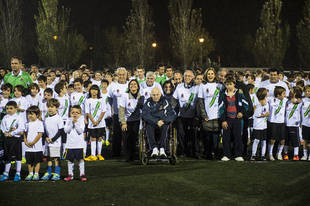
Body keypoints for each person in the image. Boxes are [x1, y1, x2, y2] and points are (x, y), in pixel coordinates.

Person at [219, 77, 248, 161]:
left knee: (238, 137)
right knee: (226, 137)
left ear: (234, 84)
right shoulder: (223, 94)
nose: (229, 86)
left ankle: (238, 155)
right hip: (227, 119)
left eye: (231, 84)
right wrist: (223, 120)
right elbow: (221, 108)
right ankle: (226, 155)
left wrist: (241, 112)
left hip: (237, 119)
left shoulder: (239, 93)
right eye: (227, 84)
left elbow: (246, 104)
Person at [142, 88, 176, 157]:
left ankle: (162, 149)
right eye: (154, 95)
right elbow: (145, 115)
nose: (155, 96)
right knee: (148, 126)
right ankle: (154, 149)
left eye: (157, 95)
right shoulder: (148, 103)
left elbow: (172, 114)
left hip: (163, 122)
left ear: (160, 94)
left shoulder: (165, 102)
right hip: (152, 123)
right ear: (151, 95)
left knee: (166, 127)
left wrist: (163, 121)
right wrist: (156, 121)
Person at [173, 70, 200, 158]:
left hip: (193, 116)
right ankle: (183, 151)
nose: (187, 78)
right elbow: (174, 100)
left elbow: (199, 102)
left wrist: (197, 116)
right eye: (185, 76)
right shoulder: (179, 87)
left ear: (193, 77)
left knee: (194, 134)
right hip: (181, 116)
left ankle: (195, 152)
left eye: (189, 76)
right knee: (181, 134)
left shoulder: (197, 87)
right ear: (183, 77)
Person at [119, 79, 144, 162]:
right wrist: (123, 123)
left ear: (138, 86)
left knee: (134, 138)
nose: (133, 85)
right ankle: (127, 156)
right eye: (131, 84)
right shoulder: (124, 96)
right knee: (126, 138)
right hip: (127, 120)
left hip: (137, 120)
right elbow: (121, 110)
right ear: (129, 87)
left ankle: (133, 155)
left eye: (135, 84)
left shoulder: (141, 96)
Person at [198, 68, 221, 159]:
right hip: (207, 116)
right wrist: (204, 115)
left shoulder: (219, 85)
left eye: (212, 74)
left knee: (216, 138)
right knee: (207, 137)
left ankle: (215, 152)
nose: (210, 75)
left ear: (215, 75)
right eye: (208, 74)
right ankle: (207, 153)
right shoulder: (202, 86)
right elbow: (200, 102)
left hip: (217, 116)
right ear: (206, 75)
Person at [0, 101, 25, 182]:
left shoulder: (19, 117)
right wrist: (5, 132)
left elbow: (21, 128)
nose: (9, 110)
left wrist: (13, 133)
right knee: (7, 157)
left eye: (11, 108)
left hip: (16, 139)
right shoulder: (5, 117)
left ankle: (18, 173)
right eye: (7, 108)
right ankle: (6, 173)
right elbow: (2, 126)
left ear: (16, 109)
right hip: (7, 140)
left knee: (18, 157)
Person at [41, 99, 64, 181]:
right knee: (49, 157)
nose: (50, 109)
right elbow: (44, 130)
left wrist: (53, 139)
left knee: (56, 158)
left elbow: (61, 131)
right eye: (48, 107)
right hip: (48, 142)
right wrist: (46, 137)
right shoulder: (46, 118)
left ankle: (57, 173)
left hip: (56, 142)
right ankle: (49, 172)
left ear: (57, 108)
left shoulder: (59, 118)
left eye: (52, 107)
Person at [108, 67, 129, 157]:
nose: (121, 76)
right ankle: (116, 152)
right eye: (120, 74)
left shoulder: (129, 84)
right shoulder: (113, 86)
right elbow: (109, 99)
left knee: (127, 134)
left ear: (126, 75)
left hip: (128, 114)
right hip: (117, 114)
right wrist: (112, 109)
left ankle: (127, 152)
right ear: (117, 75)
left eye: (123, 74)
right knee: (117, 133)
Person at [63, 105, 87, 182]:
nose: (75, 114)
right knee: (70, 160)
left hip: (79, 144)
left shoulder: (82, 120)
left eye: (77, 113)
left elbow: (80, 131)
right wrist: (71, 124)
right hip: (70, 145)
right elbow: (66, 130)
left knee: (81, 160)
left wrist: (76, 123)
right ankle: (70, 175)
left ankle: (82, 174)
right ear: (70, 113)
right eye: (73, 112)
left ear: (80, 114)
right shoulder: (68, 120)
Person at [84, 85, 106, 161]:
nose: (94, 91)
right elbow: (87, 112)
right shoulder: (88, 100)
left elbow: (103, 111)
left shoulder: (101, 100)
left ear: (98, 91)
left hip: (101, 123)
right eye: (92, 90)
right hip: (91, 123)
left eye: (96, 90)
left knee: (100, 138)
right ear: (90, 91)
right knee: (93, 138)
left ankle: (99, 154)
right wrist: (93, 121)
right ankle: (93, 155)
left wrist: (98, 121)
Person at [267, 86, 288, 161]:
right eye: (283, 93)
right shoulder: (270, 100)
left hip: (281, 122)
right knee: (272, 140)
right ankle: (270, 154)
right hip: (272, 122)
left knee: (282, 140)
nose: (285, 95)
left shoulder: (286, 100)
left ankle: (279, 153)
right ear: (278, 95)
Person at [24, 106, 44, 181]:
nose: (30, 115)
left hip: (37, 147)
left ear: (37, 115)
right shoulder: (27, 123)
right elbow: (24, 133)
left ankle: (36, 174)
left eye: (32, 114)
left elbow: (40, 134)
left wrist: (33, 142)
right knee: (29, 162)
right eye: (29, 114)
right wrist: (26, 141)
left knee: (37, 161)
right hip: (28, 147)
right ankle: (30, 173)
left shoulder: (39, 123)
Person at [282, 87, 302, 160]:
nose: (291, 93)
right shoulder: (287, 102)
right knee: (286, 140)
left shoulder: (300, 102)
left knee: (295, 140)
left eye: (293, 92)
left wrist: (301, 122)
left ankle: (296, 155)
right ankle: (285, 154)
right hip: (286, 124)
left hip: (295, 124)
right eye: (291, 92)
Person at [250, 88, 269, 161]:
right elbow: (256, 114)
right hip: (257, 125)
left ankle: (263, 155)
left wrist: (265, 114)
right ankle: (253, 155)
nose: (267, 93)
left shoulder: (267, 102)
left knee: (264, 140)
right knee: (256, 140)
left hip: (264, 125)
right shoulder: (257, 102)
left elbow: (267, 112)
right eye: (266, 92)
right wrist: (264, 115)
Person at [54, 82, 70, 157]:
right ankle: (56, 154)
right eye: (65, 88)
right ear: (61, 90)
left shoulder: (67, 97)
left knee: (65, 137)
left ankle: (64, 153)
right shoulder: (56, 99)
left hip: (66, 121)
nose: (66, 89)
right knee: (57, 138)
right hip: (58, 121)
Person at [101, 79, 112, 146]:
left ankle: (107, 139)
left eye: (105, 84)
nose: (104, 85)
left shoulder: (109, 93)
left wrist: (111, 111)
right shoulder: (99, 93)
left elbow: (111, 103)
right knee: (102, 126)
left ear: (107, 85)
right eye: (103, 84)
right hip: (101, 112)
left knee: (107, 126)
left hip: (108, 112)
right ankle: (102, 139)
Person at [301, 85, 310, 160]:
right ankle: (305, 154)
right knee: (305, 140)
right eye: (306, 91)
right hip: (305, 123)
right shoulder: (302, 100)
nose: (307, 92)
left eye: (309, 91)